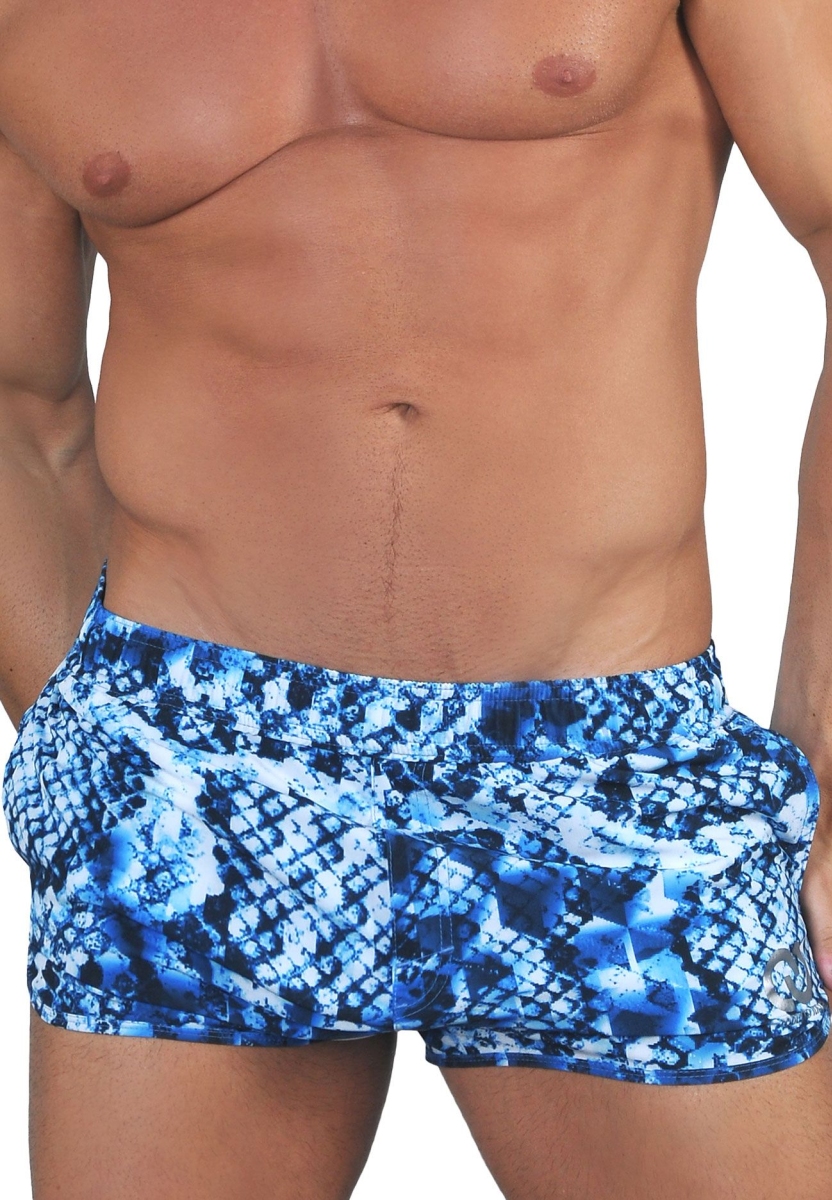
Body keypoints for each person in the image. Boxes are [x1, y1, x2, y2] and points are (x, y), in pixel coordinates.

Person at [1, 0, 831, 1196]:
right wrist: (87, 765)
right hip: (183, 755)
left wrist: (825, 748)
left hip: (606, 758)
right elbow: (19, 409)